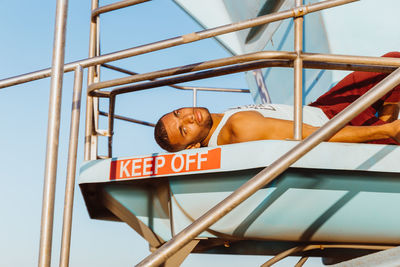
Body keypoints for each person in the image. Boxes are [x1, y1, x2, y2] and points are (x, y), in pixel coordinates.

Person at [154, 52, 400, 152]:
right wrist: (386, 131)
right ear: (192, 147)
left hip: (320, 110)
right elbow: (314, 135)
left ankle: (385, 115)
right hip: (333, 125)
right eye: (185, 130)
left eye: (178, 113)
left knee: (390, 64)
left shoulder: (223, 121)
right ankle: (383, 124)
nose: (188, 117)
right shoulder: (238, 129)